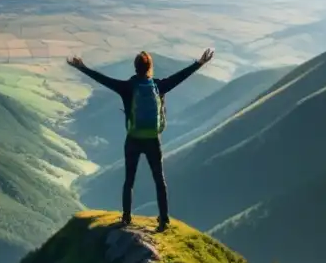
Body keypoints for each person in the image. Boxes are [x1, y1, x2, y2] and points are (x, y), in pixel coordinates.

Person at [67, 48, 215, 230]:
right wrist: (199, 63)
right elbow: (180, 77)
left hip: (133, 139)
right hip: (153, 139)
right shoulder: (158, 86)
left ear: (135, 67)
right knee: (159, 180)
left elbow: (103, 80)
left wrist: (81, 67)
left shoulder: (127, 87)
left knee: (129, 180)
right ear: (150, 67)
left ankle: (126, 217)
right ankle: (164, 220)